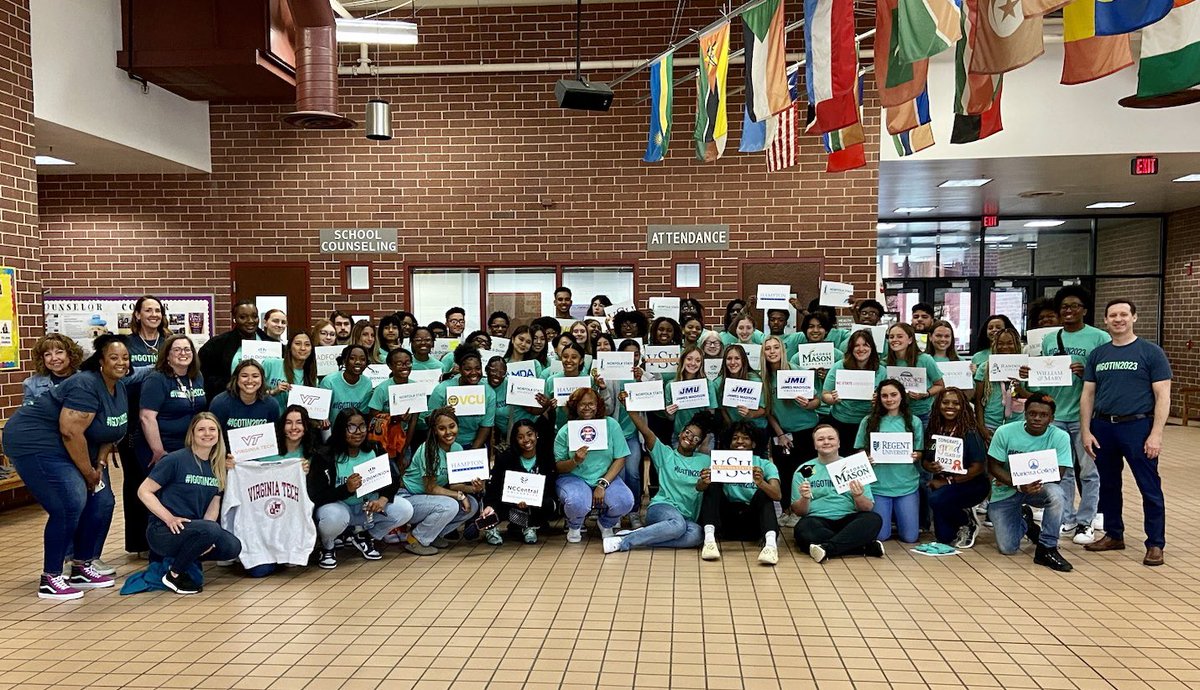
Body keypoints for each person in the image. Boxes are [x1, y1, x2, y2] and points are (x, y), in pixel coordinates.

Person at [3, 334, 129, 600]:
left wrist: (101, 462)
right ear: (100, 363)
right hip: (34, 441)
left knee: (100, 500)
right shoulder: (85, 384)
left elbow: (113, 429)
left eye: (125, 358)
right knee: (69, 501)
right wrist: (88, 473)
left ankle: (82, 566)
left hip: (69, 445)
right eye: (114, 358)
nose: (121, 363)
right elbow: (71, 432)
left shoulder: (119, 387)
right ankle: (50, 578)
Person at [1082, 299, 1172, 566]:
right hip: (1104, 427)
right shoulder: (1098, 354)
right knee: (1109, 485)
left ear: (1134, 317)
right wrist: (1086, 431)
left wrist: (1156, 433)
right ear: (1106, 321)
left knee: (1149, 486)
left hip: (1137, 426)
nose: (1118, 319)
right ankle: (1114, 534)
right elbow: (1088, 394)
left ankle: (1155, 543)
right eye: (1113, 315)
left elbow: (1163, 395)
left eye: (1124, 314)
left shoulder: (1150, 352)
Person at [1023, 286, 1109, 546]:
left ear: (1084, 309)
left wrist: (1088, 374)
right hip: (1057, 415)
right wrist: (1028, 379)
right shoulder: (1051, 339)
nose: (1069, 311)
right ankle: (1068, 517)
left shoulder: (1099, 338)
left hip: (1085, 415)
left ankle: (1086, 520)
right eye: (1064, 307)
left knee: (1089, 470)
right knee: (1063, 471)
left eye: (1074, 306)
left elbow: (1107, 377)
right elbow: (1043, 384)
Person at [138, 413, 241, 595]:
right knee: (211, 530)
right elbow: (144, 491)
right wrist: (169, 518)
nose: (207, 433)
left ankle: (183, 559)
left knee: (232, 546)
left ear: (219, 434)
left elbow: (213, 504)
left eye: (212, 429)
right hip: (164, 530)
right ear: (192, 434)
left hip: (193, 530)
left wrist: (208, 535)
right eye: (201, 429)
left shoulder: (217, 466)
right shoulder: (174, 460)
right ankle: (174, 575)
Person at [130, 334, 207, 555]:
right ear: (167, 356)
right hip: (159, 447)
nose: (183, 354)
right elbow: (147, 417)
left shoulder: (197, 376)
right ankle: (159, 547)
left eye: (188, 350)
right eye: (177, 350)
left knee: (183, 493)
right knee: (164, 495)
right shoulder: (157, 379)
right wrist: (158, 450)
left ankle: (186, 541)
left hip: (186, 447)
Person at [309, 408, 414, 568]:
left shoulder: (375, 449)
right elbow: (317, 496)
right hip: (339, 507)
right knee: (333, 517)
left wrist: (382, 500)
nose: (358, 432)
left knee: (404, 509)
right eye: (351, 427)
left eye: (362, 426)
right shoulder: (325, 455)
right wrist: (346, 489)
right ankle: (328, 546)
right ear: (340, 429)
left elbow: (393, 479)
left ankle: (365, 535)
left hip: (367, 508)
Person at [604, 401, 712, 554]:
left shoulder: (704, 460)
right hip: (661, 508)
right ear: (681, 433)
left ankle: (640, 535)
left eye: (695, 438)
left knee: (696, 535)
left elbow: (701, 488)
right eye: (687, 432)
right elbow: (646, 432)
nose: (689, 437)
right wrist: (631, 411)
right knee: (677, 525)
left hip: (687, 516)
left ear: (699, 443)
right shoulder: (666, 453)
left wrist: (703, 483)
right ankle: (623, 542)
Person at [986, 393, 1074, 572]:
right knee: (1007, 548)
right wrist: (1018, 484)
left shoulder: (1061, 437)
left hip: (1039, 487)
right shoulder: (1004, 432)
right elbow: (993, 467)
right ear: (1025, 414)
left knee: (1057, 494)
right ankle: (1025, 519)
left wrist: (1031, 484)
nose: (1037, 418)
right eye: (1033, 413)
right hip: (1008, 489)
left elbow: (1058, 474)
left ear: (1052, 418)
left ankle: (1047, 548)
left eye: (1043, 415)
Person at [792, 425, 885, 563]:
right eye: (821, 439)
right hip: (817, 519)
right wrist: (805, 499)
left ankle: (826, 548)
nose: (826, 442)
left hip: (849, 518)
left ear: (839, 443)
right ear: (815, 445)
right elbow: (799, 512)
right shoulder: (805, 470)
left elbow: (867, 508)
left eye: (831, 438)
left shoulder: (854, 466)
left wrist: (858, 496)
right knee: (803, 529)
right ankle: (862, 547)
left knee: (873, 519)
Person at [554, 388, 634, 544]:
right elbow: (559, 467)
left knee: (625, 501)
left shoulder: (611, 425)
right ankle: (575, 525)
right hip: (574, 477)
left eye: (591, 404)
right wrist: (575, 461)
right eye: (582, 404)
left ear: (598, 405)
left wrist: (603, 484)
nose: (587, 408)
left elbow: (620, 458)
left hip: (604, 476)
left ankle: (606, 523)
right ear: (574, 407)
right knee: (577, 501)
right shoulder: (566, 431)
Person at [696, 422, 782, 565]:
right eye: (735, 438)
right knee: (713, 485)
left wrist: (761, 483)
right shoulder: (721, 462)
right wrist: (704, 482)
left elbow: (777, 495)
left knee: (763, 493)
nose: (740, 441)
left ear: (753, 444)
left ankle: (771, 546)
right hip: (725, 522)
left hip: (752, 523)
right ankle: (709, 541)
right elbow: (699, 488)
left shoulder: (765, 465)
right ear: (729, 443)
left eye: (745, 438)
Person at [401, 407, 481, 553]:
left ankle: (433, 534)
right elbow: (430, 488)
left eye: (452, 426)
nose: (449, 432)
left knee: (472, 505)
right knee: (450, 505)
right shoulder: (428, 449)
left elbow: (455, 485)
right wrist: (460, 496)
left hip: (429, 498)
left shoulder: (457, 448)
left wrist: (474, 488)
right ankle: (415, 539)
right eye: (442, 428)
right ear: (435, 430)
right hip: (409, 496)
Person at [855, 379, 923, 544]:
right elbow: (859, 450)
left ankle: (900, 520)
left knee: (910, 537)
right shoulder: (868, 421)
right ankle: (888, 521)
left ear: (902, 396)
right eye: (884, 396)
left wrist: (916, 456)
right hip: (879, 486)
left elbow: (920, 450)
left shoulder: (914, 422)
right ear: (879, 398)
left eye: (893, 395)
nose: (889, 399)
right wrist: (867, 457)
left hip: (906, 485)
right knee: (880, 537)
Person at [762, 335, 820, 529]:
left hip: (806, 430)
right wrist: (780, 434)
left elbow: (816, 401)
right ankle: (787, 510)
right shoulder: (764, 378)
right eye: (768, 348)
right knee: (784, 472)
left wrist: (808, 403)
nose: (772, 351)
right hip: (781, 433)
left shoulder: (797, 371)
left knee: (805, 471)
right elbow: (768, 410)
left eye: (775, 348)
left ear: (782, 350)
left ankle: (803, 511)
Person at [923, 388, 990, 548]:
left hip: (972, 485)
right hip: (944, 483)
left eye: (956, 403)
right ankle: (962, 514)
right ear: (938, 404)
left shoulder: (970, 432)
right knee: (944, 538)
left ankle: (967, 521)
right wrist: (931, 467)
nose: (950, 406)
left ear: (964, 406)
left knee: (935, 498)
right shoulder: (934, 430)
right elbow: (925, 461)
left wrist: (948, 482)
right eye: (945, 402)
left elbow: (978, 468)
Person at [484, 419, 558, 544]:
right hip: (510, 503)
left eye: (530, 434)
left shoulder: (546, 456)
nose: (526, 440)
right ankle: (492, 528)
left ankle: (530, 526)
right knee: (492, 507)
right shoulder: (505, 458)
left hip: (536, 503)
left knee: (549, 504)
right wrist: (507, 501)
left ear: (536, 434)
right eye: (520, 437)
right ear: (515, 439)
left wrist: (530, 499)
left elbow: (550, 486)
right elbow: (495, 486)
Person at [821, 330, 886, 456]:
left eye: (865, 345)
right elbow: (825, 395)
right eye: (857, 345)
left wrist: (879, 400)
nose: (861, 349)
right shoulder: (839, 366)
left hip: (869, 424)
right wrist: (833, 399)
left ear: (872, 348)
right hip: (841, 422)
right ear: (851, 348)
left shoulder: (881, 370)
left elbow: (888, 398)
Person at [199, 300, 271, 402]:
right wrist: (235, 384)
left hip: (264, 400)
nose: (250, 321)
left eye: (254, 316)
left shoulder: (272, 344)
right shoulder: (216, 345)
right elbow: (205, 376)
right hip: (229, 401)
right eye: (243, 317)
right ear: (234, 319)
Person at [430, 346, 495, 449]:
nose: (474, 373)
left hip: (474, 444)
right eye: (468, 369)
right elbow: (427, 420)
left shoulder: (488, 392)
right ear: (459, 369)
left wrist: (472, 452)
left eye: (478, 368)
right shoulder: (442, 389)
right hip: (444, 444)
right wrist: (439, 414)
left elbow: (486, 426)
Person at [710, 344, 768, 455]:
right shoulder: (718, 382)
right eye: (729, 358)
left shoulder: (755, 380)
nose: (732, 362)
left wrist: (750, 414)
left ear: (743, 360)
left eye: (737, 358)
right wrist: (731, 425)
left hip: (756, 429)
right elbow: (721, 408)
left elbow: (764, 409)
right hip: (733, 430)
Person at [883, 323, 945, 424]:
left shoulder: (925, 359)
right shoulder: (885, 363)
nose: (894, 339)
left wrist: (926, 394)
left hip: (922, 414)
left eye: (899, 336)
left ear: (910, 340)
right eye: (891, 337)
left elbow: (940, 385)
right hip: (895, 413)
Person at [974, 328, 1027, 432]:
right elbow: (978, 400)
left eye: (1010, 343)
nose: (1005, 347)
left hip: (1017, 423)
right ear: (995, 345)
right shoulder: (985, 368)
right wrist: (981, 427)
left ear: (1016, 344)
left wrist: (1021, 390)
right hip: (990, 423)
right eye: (1000, 343)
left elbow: (1034, 397)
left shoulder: (1024, 367)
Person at [209, 359, 280, 432]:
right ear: (236, 378)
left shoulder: (272, 405)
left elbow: (274, 436)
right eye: (244, 376)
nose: (250, 380)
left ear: (262, 379)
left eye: (255, 376)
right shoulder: (219, 403)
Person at [319, 344, 374, 428]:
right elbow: (322, 413)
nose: (358, 362)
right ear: (344, 361)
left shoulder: (367, 383)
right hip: (331, 431)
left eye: (362, 359)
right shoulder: (329, 381)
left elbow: (363, 413)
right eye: (352, 358)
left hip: (355, 430)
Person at [23, 333, 84, 404]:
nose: (54, 358)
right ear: (42, 359)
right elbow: (29, 413)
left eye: (59, 352)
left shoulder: (87, 380)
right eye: (48, 354)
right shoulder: (31, 384)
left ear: (70, 354)